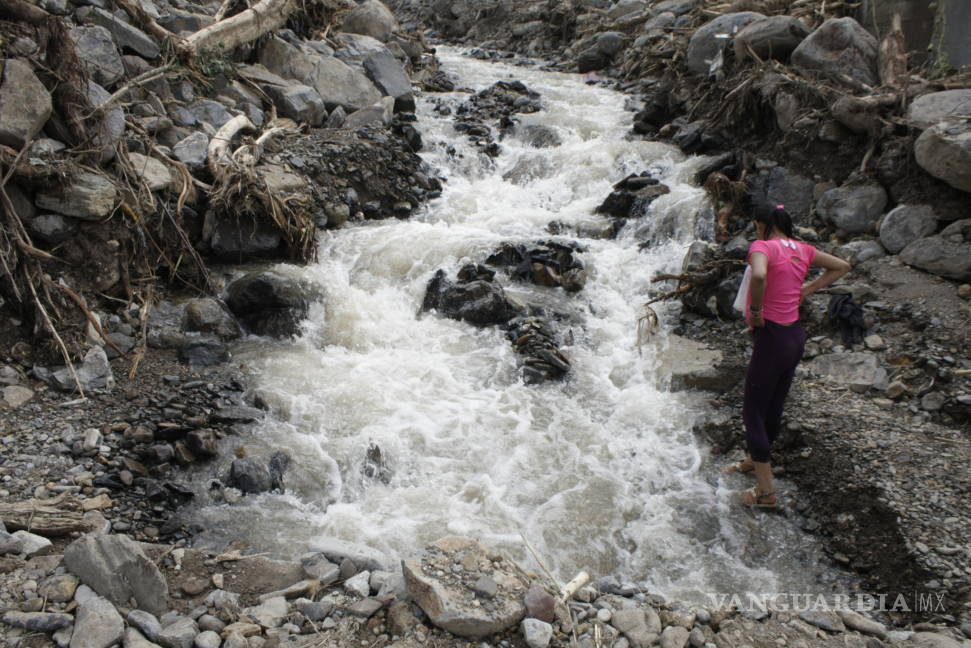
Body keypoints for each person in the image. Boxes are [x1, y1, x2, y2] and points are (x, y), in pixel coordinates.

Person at [724, 204, 851, 507]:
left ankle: (765, 493)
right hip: (794, 336)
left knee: (752, 412)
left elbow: (758, 276)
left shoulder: (762, 246)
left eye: (756, 226)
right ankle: (755, 461)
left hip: (771, 337)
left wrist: (755, 313)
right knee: (773, 405)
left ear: (760, 225)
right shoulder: (804, 249)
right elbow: (842, 266)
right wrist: (808, 289)